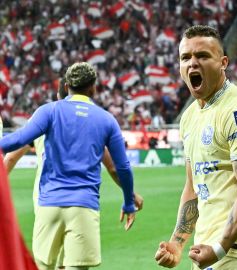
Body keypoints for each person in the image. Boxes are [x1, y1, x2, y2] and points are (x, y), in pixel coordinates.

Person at [0, 62, 138, 270]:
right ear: (93, 88)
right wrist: (128, 202)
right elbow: (123, 168)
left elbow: (17, 140)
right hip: (84, 205)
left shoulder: (48, 111)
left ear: (66, 87)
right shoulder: (107, 120)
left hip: (48, 205)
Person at [154, 25, 237, 270]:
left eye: (203, 56)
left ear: (223, 62)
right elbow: (193, 187)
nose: (192, 63)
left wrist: (220, 248)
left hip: (235, 252)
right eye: (185, 57)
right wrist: (177, 243)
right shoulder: (189, 117)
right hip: (205, 250)